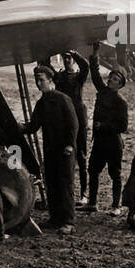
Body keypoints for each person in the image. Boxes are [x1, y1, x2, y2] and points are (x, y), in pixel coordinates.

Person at [24, 64, 78, 234]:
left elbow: (73, 124)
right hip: (51, 149)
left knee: (65, 185)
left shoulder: (63, 99)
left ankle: (69, 222)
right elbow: (33, 126)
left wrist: (70, 145)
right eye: (36, 80)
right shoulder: (42, 103)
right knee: (52, 183)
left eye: (41, 80)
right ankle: (55, 218)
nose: (38, 83)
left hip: (65, 150)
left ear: (50, 80)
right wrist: (17, 127)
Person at [80, 45, 128, 215]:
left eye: (115, 79)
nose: (110, 80)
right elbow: (95, 75)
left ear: (120, 84)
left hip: (113, 144)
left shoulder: (121, 102)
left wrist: (104, 126)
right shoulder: (103, 91)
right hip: (99, 142)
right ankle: (92, 203)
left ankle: (116, 206)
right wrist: (95, 55)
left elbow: (123, 126)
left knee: (115, 174)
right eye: (111, 77)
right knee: (93, 170)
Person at [51, 49, 89, 202]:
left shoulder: (78, 77)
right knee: (65, 155)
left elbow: (85, 66)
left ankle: (84, 194)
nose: (67, 61)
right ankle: (67, 192)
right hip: (63, 119)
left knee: (81, 155)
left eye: (69, 58)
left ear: (73, 60)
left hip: (79, 119)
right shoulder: (58, 77)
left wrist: (75, 53)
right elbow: (46, 68)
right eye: (64, 58)